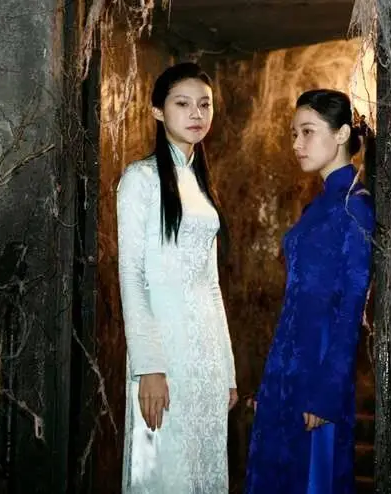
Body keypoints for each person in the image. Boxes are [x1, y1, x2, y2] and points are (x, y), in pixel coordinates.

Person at [245, 89, 375, 494]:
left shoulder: (355, 206)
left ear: (342, 134)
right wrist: (273, 381)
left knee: (312, 479)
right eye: (293, 134)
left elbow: (351, 304)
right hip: (288, 364)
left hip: (320, 370)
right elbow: (296, 302)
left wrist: (327, 392)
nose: (296, 144)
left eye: (307, 131)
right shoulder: (317, 205)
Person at [117, 62, 238, 494]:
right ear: (157, 111)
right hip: (164, 353)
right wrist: (149, 367)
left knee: (203, 470)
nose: (196, 114)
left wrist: (226, 370)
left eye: (204, 105)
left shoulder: (202, 186)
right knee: (162, 473)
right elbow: (132, 276)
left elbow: (211, 285)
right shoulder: (140, 179)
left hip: (205, 355)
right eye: (182, 104)